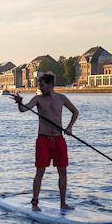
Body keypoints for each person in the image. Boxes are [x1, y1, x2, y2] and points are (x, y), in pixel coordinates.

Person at [10, 73, 78, 212]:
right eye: (39, 85)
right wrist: (20, 102)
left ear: (50, 84)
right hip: (43, 139)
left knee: (63, 172)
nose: (39, 87)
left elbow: (75, 112)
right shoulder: (38, 99)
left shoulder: (62, 98)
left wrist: (69, 127)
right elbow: (24, 109)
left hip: (59, 139)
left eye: (42, 85)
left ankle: (63, 203)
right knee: (40, 171)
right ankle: (35, 203)